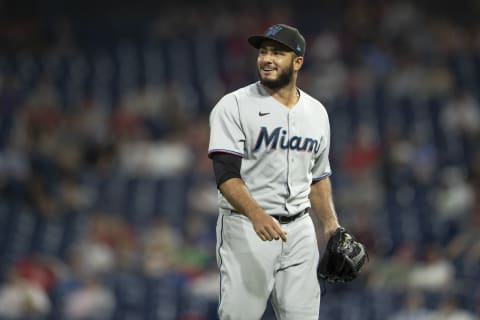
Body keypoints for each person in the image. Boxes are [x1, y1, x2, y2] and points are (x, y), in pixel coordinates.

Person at [208, 24, 342, 319]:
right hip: (245, 226)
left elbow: (318, 177)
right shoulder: (233, 106)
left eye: (277, 53)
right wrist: (257, 215)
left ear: (297, 62)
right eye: (263, 52)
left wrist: (331, 226)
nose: (267, 59)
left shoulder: (317, 112)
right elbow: (226, 176)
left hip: (301, 230)